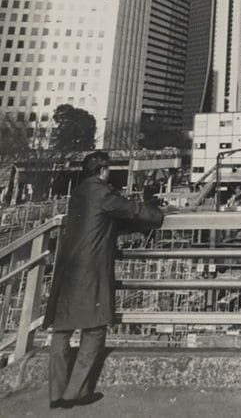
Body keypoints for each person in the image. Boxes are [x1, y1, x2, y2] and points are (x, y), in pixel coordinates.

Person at [44, 149, 164, 409]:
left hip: (68, 268)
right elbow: (132, 210)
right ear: (102, 171)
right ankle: (75, 393)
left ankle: (55, 393)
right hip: (91, 269)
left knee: (62, 330)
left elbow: (100, 220)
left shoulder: (77, 194)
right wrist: (157, 213)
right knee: (95, 329)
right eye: (108, 170)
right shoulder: (102, 192)